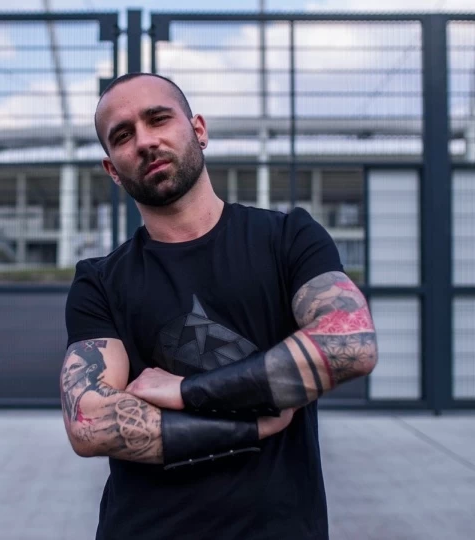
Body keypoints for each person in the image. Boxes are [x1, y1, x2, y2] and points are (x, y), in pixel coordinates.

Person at [62, 72, 378, 540]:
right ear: (112, 169)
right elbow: (87, 421)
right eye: (123, 136)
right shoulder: (100, 280)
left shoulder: (288, 238)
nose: (145, 141)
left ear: (199, 130)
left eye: (158, 119)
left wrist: (187, 391)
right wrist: (252, 425)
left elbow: (349, 343)